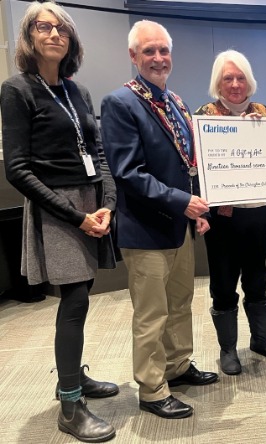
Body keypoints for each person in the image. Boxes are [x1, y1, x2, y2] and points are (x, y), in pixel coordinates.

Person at [1, 1, 118, 441]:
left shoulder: (77, 91)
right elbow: (18, 169)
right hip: (57, 206)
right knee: (73, 301)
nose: (54, 34)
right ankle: (70, 405)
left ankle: (71, 377)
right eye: (43, 27)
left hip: (91, 202)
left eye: (62, 29)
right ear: (29, 37)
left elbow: (99, 152)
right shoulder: (17, 89)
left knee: (82, 294)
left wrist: (107, 202)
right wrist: (76, 215)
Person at [101, 20, 218, 420]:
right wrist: (182, 201)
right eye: (148, 51)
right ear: (133, 57)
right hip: (146, 229)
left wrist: (196, 210)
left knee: (180, 302)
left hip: (180, 226)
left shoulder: (178, 103)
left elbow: (186, 164)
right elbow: (127, 173)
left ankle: (178, 366)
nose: (158, 58)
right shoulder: (120, 103)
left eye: (163, 51)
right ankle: (152, 389)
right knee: (152, 314)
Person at [195, 50, 266, 375]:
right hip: (224, 219)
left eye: (241, 77)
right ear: (218, 83)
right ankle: (228, 350)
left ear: (249, 81)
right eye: (228, 78)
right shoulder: (205, 115)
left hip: (256, 217)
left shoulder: (265, 112)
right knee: (224, 284)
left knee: (257, 278)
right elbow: (196, 168)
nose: (236, 84)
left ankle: (260, 340)